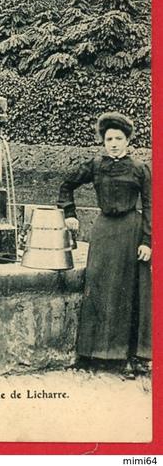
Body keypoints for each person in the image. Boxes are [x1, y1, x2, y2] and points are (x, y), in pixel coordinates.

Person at [58, 112, 151, 378]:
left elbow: (152, 206)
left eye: (118, 138)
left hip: (131, 232)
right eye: (109, 138)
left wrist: (148, 241)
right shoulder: (96, 165)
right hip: (103, 231)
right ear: (103, 141)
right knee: (97, 287)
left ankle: (128, 357)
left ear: (127, 141)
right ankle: (89, 354)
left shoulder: (140, 168)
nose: (113, 143)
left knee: (128, 292)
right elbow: (67, 185)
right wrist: (70, 213)